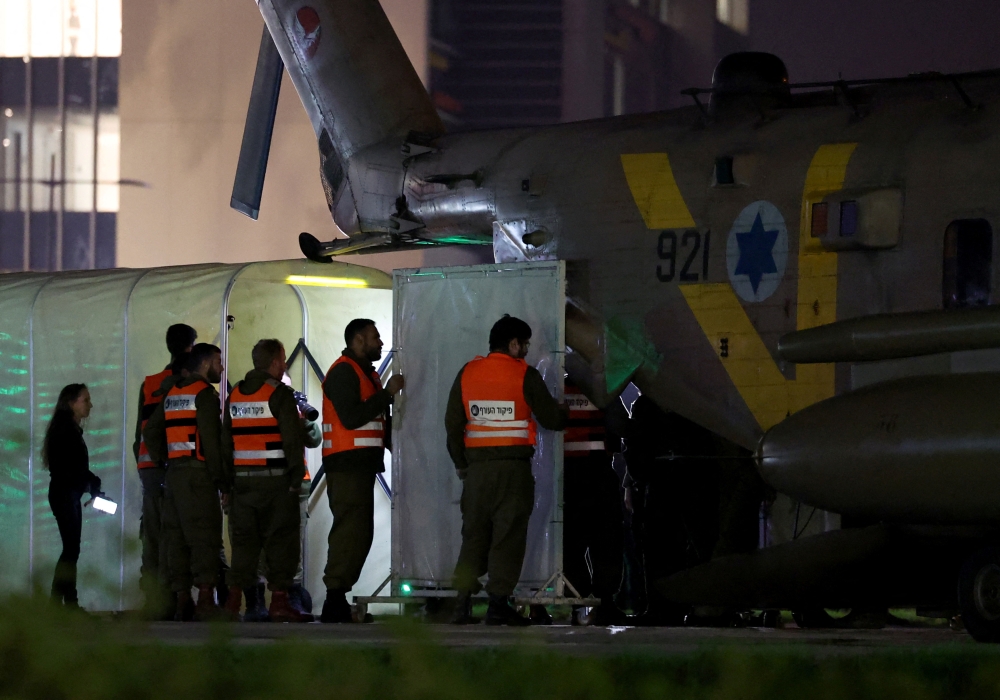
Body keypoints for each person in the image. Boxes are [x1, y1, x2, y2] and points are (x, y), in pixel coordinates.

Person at [446, 315, 567, 626]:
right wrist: (562, 409)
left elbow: (453, 425)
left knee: (473, 537)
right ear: (513, 344)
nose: (526, 349)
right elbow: (552, 420)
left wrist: (462, 465)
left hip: (476, 472)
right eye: (524, 344)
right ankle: (498, 605)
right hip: (512, 472)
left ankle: (461, 604)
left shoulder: (467, 372)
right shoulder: (524, 375)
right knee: (507, 537)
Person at [221, 339, 314, 623]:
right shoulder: (279, 394)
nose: (285, 364)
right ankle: (280, 604)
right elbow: (291, 439)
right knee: (281, 542)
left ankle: (233, 604)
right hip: (276, 484)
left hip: (243, 485)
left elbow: (226, 442)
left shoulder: (235, 394)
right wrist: (296, 477)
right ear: (275, 362)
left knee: (244, 544)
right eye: (283, 360)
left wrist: (227, 484)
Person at [319, 319, 404, 623]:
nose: (380, 343)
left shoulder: (367, 375)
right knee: (349, 533)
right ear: (358, 340)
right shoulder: (344, 372)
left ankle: (338, 598)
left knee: (359, 533)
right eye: (374, 337)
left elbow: (379, 424)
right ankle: (334, 600)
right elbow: (352, 417)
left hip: (360, 465)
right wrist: (388, 394)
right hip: (347, 465)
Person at [143, 343, 226, 621]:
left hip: (174, 474)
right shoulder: (204, 395)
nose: (222, 367)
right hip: (198, 475)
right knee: (204, 535)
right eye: (218, 361)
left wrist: (163, 460)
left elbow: (151, 430)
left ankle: (182, 601)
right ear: (204, 364)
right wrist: (222, 480)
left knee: (175, 537)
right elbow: (212, 443)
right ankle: (204, 600)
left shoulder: (172, 393)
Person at [133, 323, 197, 618]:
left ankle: (155, 601)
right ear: (190, 347)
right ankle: (176, 597)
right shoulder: (190, 384)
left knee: (154, 535)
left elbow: (139, 435)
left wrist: (146, 463)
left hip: (150, 468)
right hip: (179, 466)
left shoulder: (149, 383)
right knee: (178, 534)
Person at [561, 380, 626, 626]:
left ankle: (578, 603)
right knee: (607, 539)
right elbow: (618, 427)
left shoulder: (558, 390)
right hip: (599, 472)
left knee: (571, 543)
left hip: (567, 474)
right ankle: (605, 602)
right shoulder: (604, 389)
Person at [44, 383, 101, 609]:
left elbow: (70, 468)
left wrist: (89, 483)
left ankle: (63, 603)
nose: (90, 405)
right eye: (85, 400)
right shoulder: (67, 432)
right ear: (71, 403)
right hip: (66, 494)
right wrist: (91, 482)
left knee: (70, 549)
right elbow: (72, 469)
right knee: (71, 549)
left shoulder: (64, 430)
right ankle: (64, 604)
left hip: (65, 493)